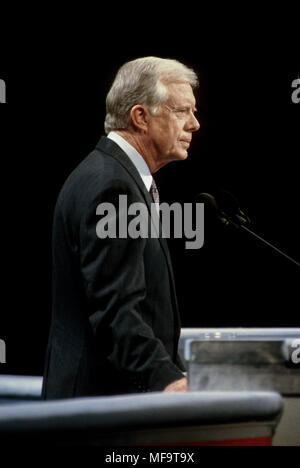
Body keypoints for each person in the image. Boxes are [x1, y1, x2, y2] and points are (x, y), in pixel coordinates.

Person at [42, 56, 200, 399]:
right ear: (140, 117)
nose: (194, 124)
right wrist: (167, 379)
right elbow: (115, 310)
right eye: (181, 111)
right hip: (99, 412)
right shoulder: (112, 188)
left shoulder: (112, 176)